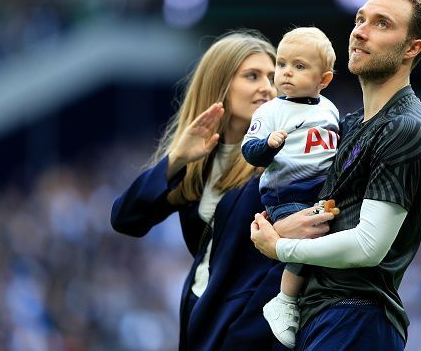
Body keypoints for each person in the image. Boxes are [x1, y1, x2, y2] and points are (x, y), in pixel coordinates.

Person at [250, 0, 421, 351]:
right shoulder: (350, 123)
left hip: (357, 315)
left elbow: (368, 246)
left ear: (411, 49)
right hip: (322, 315)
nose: (360, 32)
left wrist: (281, 247)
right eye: (359, 19)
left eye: (382, 24)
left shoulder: (407, 126)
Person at [110, 30, 328, 351]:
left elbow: (304, 245)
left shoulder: (288, 152)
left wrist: (246, 330)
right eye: (252, 76)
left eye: (271, 76)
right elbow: (126, 219)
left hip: (250, 331)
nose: (267, 87)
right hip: (201, 315)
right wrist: (177, 159)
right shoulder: (199, 159)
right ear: (220, 85)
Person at [241, 27, 339, 348]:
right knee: (311, 233)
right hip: (287, 195)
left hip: (322, 194)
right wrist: (268, 145)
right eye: (282, 64)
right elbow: (249, 150)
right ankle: (284, 300)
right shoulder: (270, 110)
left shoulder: (329, 109)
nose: (286, 72)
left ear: (323, 80)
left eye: (299, 66)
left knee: (329, 231)